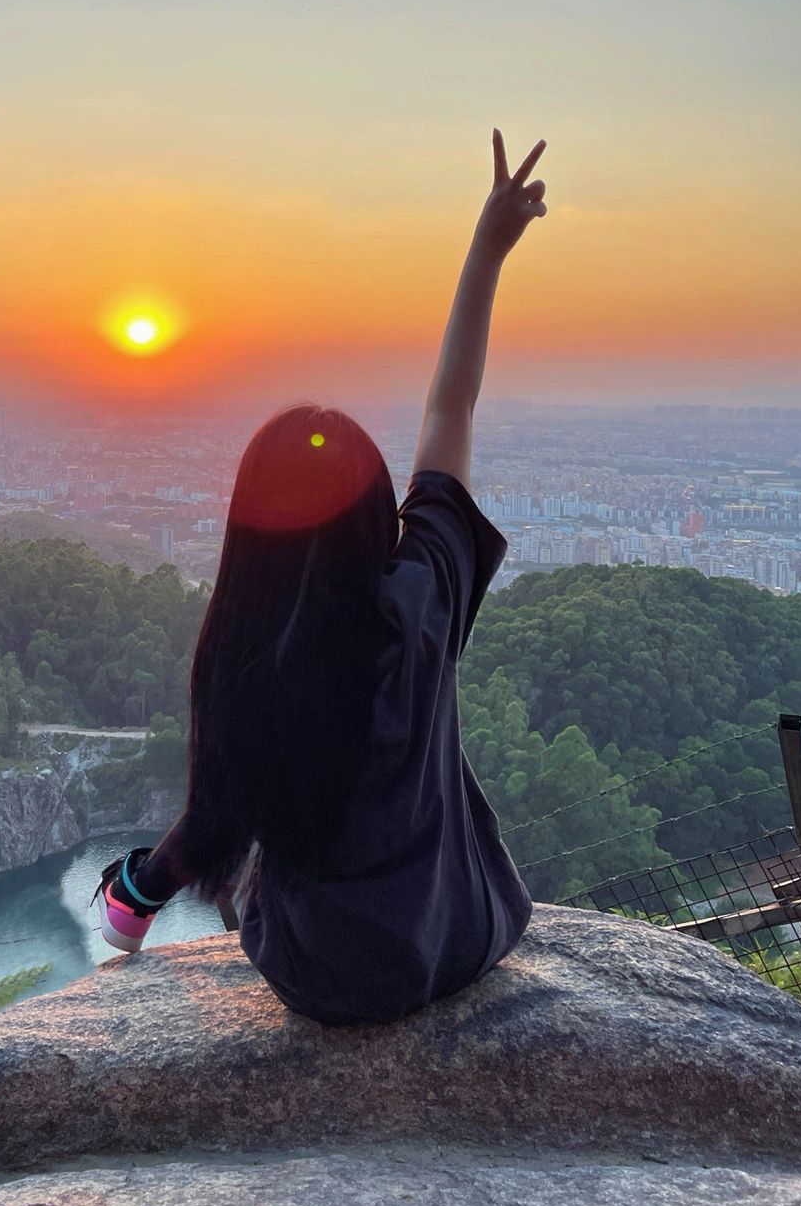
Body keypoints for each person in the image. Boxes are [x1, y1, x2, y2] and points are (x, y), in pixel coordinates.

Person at [90, 128, 549, 1024]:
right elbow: (451, 407)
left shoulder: (244, 657)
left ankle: (129, 898)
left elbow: (217, 820)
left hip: (321, 978)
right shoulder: (422, 598)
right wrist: (487, 250)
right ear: (379, 514)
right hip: (461, 942)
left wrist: (136, 895)